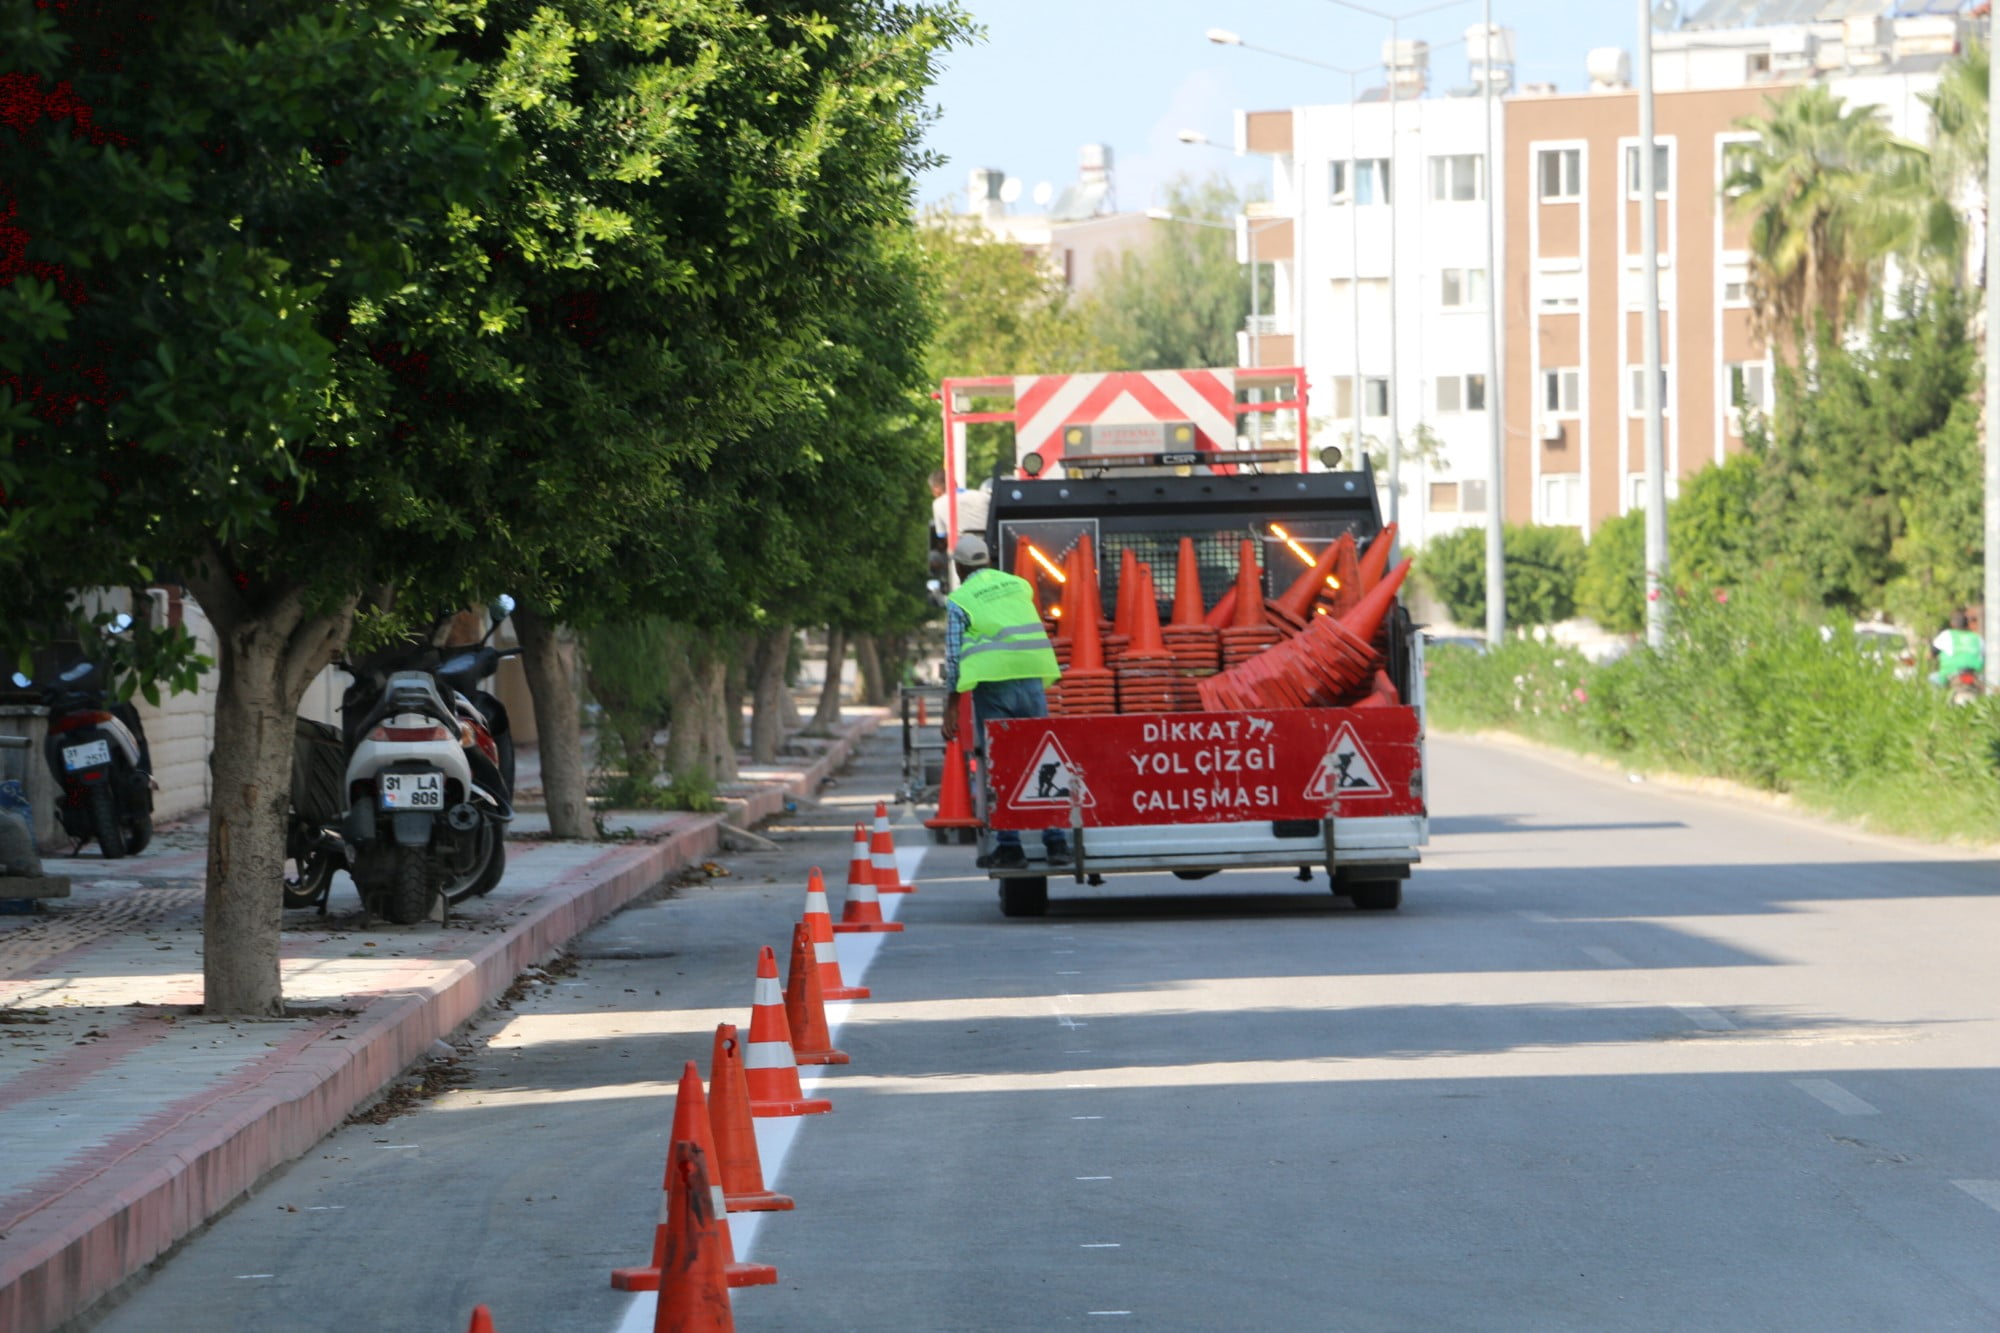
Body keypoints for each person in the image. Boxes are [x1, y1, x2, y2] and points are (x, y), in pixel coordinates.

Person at [939, 533, 1072, 871]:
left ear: (959, 568)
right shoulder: (1019, 585)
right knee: (1042, 761)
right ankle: (1056, 841)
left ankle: (1011, 847)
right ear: (988, 561)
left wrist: (951, 707)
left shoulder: (960, 600)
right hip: (1031, 680)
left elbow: (954, 659)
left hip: (994, 687)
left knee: (1002, 765)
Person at [1929, 610, 1983, 686]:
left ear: (1952, 624)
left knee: (1932, 677)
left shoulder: (1946, 634)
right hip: (1974, 674)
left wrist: (1929, 657)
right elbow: (1984, 655)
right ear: (1967, 624)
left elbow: (1933, 652)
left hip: (1950, 674)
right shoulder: (1977, 637)